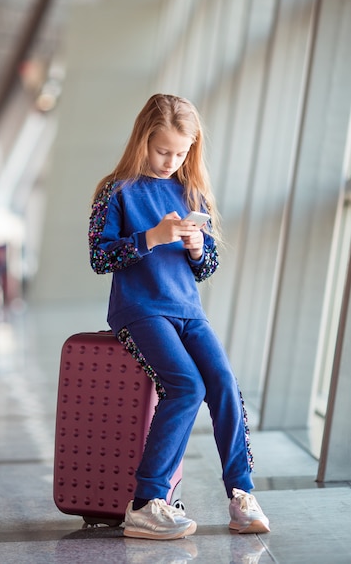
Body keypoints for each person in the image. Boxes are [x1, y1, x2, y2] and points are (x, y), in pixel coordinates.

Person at [88, 94, 270, 540]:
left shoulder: (191, 193)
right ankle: (148, 503)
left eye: (182, 152)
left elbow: (205, 267)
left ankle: (241, 494)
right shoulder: (115, 191)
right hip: (139, 310)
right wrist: (152, 236)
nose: (172, 160)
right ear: (142, 141)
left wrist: (194, 247)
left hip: (187, 309)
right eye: (162, 150)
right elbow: (99, 256)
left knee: (225, 384)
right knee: (187, 386)